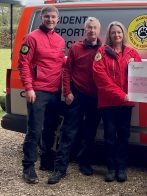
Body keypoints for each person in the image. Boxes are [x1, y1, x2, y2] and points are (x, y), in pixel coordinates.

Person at [47, 17, 102, 184]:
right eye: (89, 28)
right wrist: (68, 92)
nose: (92, 31)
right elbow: (66, 71)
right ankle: (60, 168)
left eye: (95, 28)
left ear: (99, 30)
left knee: (90, 132)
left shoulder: (104, 49)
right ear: (84, 30)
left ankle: (84, 162)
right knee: (68, 133)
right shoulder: (75, 48)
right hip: (77, 96)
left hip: (96, 98)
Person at [18, 5, 65, 184]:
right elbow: (23, 64)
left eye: (53, 17)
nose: (50, 20)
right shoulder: (31, 38)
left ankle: (46, 161)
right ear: (42, 18)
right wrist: (29, 88)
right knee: (34, 130)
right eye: (47, 17)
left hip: (54, 91)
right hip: (37, 91)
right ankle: (28, 166)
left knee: (51, 129)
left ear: (57, 19)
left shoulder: (60, 40)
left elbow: (61, 65)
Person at [93, 21, 141, 182]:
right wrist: (121, 95)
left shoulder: (132, 53)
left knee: (124, 136)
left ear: (123, 34)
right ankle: (111, 168)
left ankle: (121, 168)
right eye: (113, 32)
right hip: (108, 103)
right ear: (109, 35)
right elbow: (101, 79)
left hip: (126, 104)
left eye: (119, 32)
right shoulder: (102, 52)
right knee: (109, 136)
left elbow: (141, 76)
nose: (116, 35)